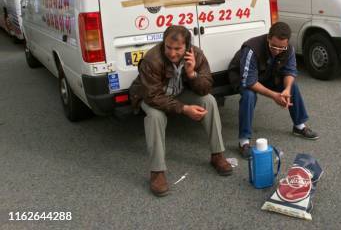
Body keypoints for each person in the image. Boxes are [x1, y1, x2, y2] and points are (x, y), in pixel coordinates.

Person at [129, 25, 232, 197]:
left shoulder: (196, 54)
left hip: (178, 92)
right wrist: (184, 109)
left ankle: (217, 155)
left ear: (187, 47)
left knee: (209, 101)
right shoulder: (151, 59)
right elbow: (153, 96)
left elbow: (206, 87)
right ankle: (157, 172)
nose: (172, 53)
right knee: (155, 116)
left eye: (178, 48)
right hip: (150, 95)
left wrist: (192, 74)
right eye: (168, 47)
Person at [227, 22, 319, 159]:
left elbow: (290, 71)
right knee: (249, 95)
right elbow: (250, 82)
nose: (277, 50)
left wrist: (286, 90)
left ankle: (299, 126)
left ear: (287, 43)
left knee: (292, 86)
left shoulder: (288, 49)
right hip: (242, 77)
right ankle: (244, 142)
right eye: (273, 46)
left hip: (267, 73)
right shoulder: (251, 48)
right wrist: (275, 96)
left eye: (281, 47)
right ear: (268, 38)